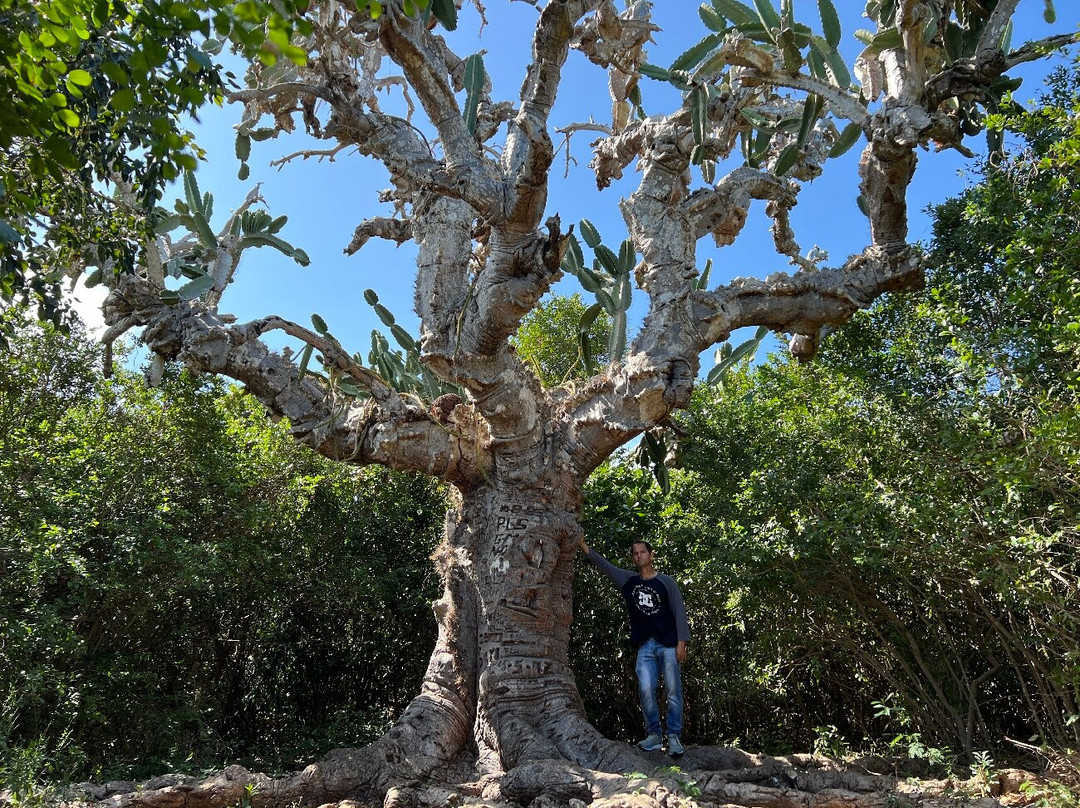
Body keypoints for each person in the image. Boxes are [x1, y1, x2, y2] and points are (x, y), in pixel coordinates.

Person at [579, 536, 690, 756]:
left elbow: (679, 611)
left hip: (668, 644)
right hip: (645, 646)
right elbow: (605, 566)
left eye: (643, 552)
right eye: (635, 553)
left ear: (651, 555)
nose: (639, 556)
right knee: (646, 690)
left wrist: (682, 644)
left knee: (673, 691)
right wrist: (582, 545)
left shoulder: (666, 582)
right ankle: (654, 735)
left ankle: (674, 736)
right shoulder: (629, 581)